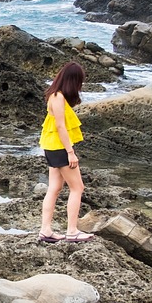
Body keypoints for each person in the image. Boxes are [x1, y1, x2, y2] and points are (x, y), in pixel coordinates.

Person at [38, 61, 94, 242]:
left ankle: (46, 230)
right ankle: (72, 231)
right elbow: (60, 126)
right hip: (60, 148)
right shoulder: (59, 98)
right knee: (77, 188)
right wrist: (70, 152)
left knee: (54, 188)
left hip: (51, 146)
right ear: (73, 80)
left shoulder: (53, 95)